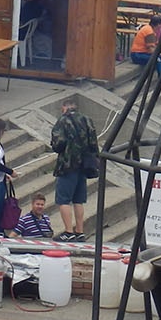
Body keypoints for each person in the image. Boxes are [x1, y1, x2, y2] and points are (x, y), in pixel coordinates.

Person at [49, 94, 97, 242]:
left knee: (63, 199)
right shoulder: (87, 119)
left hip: (68, 164)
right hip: (84, 165)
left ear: (64, 107)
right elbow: (94, 142)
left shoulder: (63, 121)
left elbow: (59, 144)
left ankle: (68, 231)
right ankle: (80, 231)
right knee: (78, 200)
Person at [129, 13, 161, 81]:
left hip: (142, 53)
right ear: (157, 24)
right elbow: (152, 50)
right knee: (158, 60)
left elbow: (156, 46)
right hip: (137, 55)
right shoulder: (149, 32)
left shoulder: (150, 30)